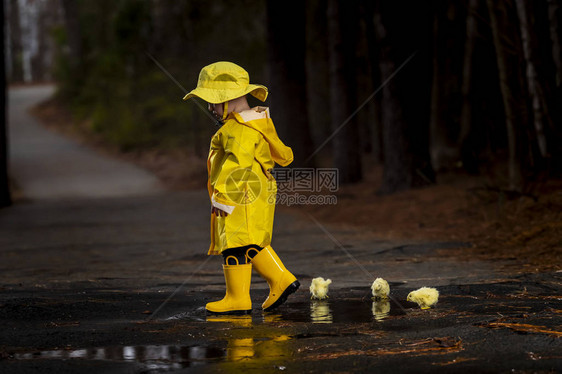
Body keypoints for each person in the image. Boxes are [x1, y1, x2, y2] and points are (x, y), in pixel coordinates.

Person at [183, 61, 300, 314]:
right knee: (247, 241)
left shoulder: (239, 130)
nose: (210, 107)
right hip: (252, 191)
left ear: (231, 98)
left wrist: (223, 197)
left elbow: (237, 165)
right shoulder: (253, 123)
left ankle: (242, 296)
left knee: (238, 242)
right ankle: (277, 280)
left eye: (214, 100)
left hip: (242, 193)